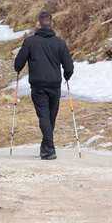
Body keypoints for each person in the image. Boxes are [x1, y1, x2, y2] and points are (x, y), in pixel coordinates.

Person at [14, 11, 74, 160]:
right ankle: (46, 147)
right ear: (52, 25)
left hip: (38, 85)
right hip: (54, 85)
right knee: (50, 117)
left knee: (44, 117)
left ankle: (50, 148)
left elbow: (18, 63)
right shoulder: (60, 43)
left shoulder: (30, 42)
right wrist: (67, 76)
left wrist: (18, 68)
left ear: (38, 24)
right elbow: (69, 66)